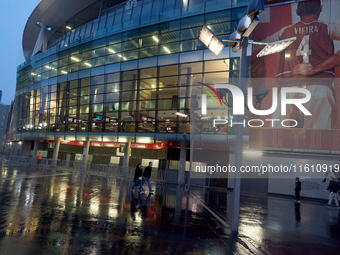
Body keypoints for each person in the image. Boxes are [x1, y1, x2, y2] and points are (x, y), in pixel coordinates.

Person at [263, 0, 340, 129]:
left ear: (297, 11)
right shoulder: (329, 27)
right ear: (320, 8)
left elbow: (258, 46)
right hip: (319, 88)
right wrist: (315, 69)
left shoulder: (285, 31)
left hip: (288, 90)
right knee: (318, 141)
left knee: (280, 139)